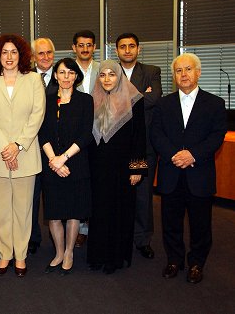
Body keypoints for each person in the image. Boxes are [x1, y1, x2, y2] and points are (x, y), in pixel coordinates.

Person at [151, 53, 226, 284]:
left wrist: (192, 154)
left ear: (198, 72)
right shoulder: (163, 104)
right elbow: (156, 134)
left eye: (188, 69)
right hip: (171, 172)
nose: (183, 74)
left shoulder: (214, 103)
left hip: (199, 172)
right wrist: (174, 155)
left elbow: (217, 136)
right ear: (174, 76)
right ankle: (174, 260)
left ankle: (196, 263)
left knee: (200, 224)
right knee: (170, 221)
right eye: (178, 71)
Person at [0, 34, 45, 277]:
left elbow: (37, 116)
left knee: (23, 209)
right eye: (4, 52)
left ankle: (21, 256)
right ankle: (5, 254)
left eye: (14, 52)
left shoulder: (34, 80)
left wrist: (17, 145)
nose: (9, 57)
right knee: (2, 209)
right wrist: (5, 148)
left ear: (22, 55)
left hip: (25, 153)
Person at [87, 59, 147, 274]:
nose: (107, 79)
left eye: (112, 74)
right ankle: (97, 256)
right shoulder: (92, 100)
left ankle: (115, 257)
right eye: (102, 75)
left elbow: (140, 136)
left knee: (120, 212)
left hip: (123, 169)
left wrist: (137, 168)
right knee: (99, 212)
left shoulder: (134, 100)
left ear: (119, 76)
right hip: (98, 168)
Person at [39, 58, 93, 275]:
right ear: (55, 75)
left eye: (71, 73)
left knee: (73, 212)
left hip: (76, 164)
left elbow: (86, 134)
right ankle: (59, 252)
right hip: (51, 164)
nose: (66, 77)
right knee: (54, 212)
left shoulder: (85, 100)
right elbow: (42, 132)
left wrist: (64, 158)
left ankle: (69, 252)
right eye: (62, 73)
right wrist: (54, 160)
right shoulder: (46, 100)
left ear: (76, 76)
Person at [116, 32, 162, 259]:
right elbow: (106, 104)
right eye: (123, 47)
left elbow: (155, 99)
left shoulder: (151, 72)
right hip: (116, 147)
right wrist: (142, 96)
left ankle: (143, 240)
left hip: (142, 146)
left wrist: (122, 99)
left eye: (131, 46)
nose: (127, 50)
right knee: (119, 193)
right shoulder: (110, 72)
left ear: (138, 49)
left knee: (142, 195)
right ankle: (120, 236)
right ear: (116, 51)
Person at [28, 37, 57, 254]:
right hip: (31, 146)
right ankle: (32, 238)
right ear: (33, 57)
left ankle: (59, 239)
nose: (45, 57)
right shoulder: (26, 79)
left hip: (57, 148)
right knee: (32, 196)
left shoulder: (64, 76)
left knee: (55, 196)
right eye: (41, 53)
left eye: (49, 53)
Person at [71, 29, 100, 247]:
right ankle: (80, 229)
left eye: (89, 45)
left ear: (94, 47)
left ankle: (96, 227)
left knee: (96, 182)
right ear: (74, 48)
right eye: (81, 45)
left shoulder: (105, 69)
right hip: (75, 137)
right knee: (79, 183)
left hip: (100, 135)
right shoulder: (67, 70)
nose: (85, 49)